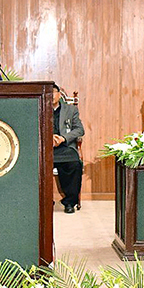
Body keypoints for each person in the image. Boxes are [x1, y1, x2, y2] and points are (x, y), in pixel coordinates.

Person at [52, 84, 85, 214]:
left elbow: (80, 130)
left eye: (54, 92)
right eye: (48, 93)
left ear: (59, 94)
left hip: (65, 147)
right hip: (45, 149)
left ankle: (70, 202)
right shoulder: (40, 107)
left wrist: (63, 138)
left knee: (74, 164)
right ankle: (45, 201)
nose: (51, 95)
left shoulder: (71, 110)